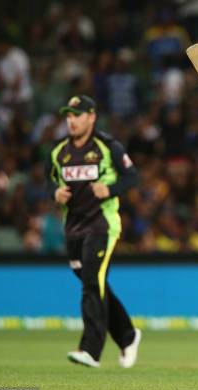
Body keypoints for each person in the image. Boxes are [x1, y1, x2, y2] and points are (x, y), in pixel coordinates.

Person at [45, 95, 141, 368]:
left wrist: (109, 189)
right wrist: (55, 192)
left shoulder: (108, 147)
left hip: (102, 225)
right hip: (73, 227)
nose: (71, 120)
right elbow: (47, 179)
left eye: (77, 115)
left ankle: (90, 350)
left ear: (91, 116)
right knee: (94, 282)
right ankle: (128, 335)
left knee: (91, 281)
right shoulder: (59, 151)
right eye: (68, 115)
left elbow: (132, 177)